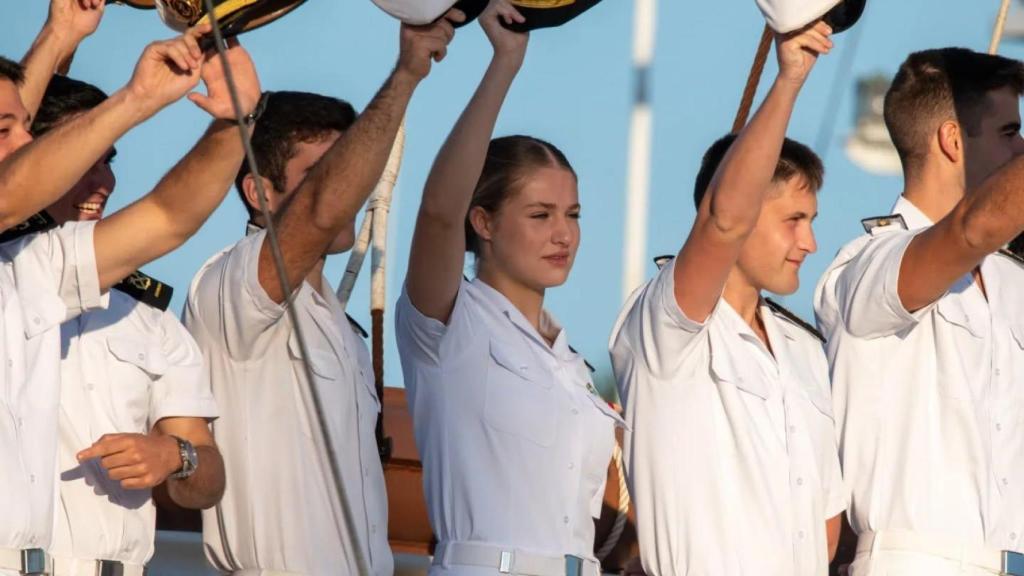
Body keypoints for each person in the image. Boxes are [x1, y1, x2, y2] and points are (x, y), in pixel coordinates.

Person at [182, 11, 460, 575]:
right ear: (260, 190)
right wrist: (405, 75)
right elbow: (318, 210)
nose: (351, 190)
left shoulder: (336, 324)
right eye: (324, 170)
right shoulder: (230, 284)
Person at [0, 4, 261, 573]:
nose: (23, 144)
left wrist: (235, 122)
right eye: (7, 131)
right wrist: (134, 96)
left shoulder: (35, 271)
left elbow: (169, 216)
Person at [395, 1, 623, 573]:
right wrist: (505, 65)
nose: (563, 234)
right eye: (540, 215)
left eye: (572, 214)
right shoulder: (449, 321)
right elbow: (438, 212)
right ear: (485, 222)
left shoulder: (571, 364)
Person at [610, 22, 842, 575]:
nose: (809, 242)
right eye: (793, 220)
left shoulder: (806, 351)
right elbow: (721, 221)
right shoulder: (669, 327)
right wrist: (788, 81)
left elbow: (826, 529)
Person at [814, 48, 1024, 575]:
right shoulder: (865, 266)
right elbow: (971, 230)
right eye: (1009, 133)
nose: (1021, 149)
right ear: (953, 141)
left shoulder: (1011, 277)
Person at [30, 73, 230, 576]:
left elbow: (209, 473)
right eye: (84, 161)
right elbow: (169, 214)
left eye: (108, 162)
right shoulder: (12, 275)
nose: (104, 183)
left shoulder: (149, 317)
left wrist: (173, 455)